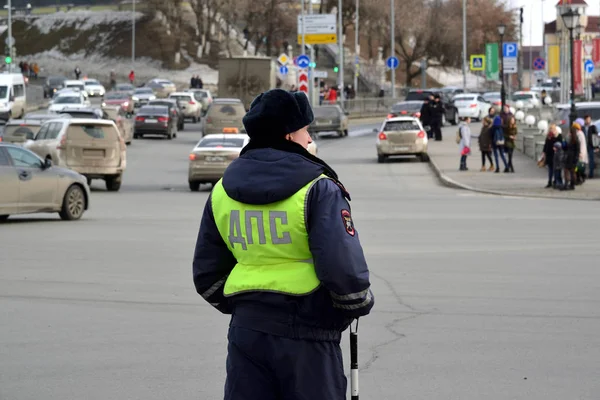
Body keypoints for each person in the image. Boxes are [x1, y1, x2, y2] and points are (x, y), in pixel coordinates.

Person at [192, 89, 374, 400]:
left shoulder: (223, 190)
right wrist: (357, 305)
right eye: (306, 130)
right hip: (309, 331)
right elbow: (342, 268)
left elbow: (207, 273)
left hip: (246, 332)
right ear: (290, 134)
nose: (308, 138)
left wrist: (246, 308)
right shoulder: (318, 187)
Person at [562, 125, 580, 191]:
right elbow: (566, 148)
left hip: (570, 157)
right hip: (571, 157)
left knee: (567, 171)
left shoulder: (574, 140)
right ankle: (571, 185)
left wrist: (576, 158)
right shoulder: (574, 140)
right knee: (572, 172)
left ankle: (567, 184)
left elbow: (576, 150)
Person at [542, 124, 559, 188]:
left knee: (555, 169)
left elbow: (560, 144)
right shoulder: (548, 136)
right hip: (549, 155)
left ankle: (555, 181)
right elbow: (546, 145)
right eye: (550, 129)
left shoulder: (558, 136)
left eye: (553, 128)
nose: (551, 130)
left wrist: (554, 136)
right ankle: (549, 182)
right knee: (550, 169)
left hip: (555, 155)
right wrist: (544, 152)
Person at [574, 118, 588, 185]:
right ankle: (579, 178)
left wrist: (581, 153)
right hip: (580, 153)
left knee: (578, 167)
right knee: (578, 167)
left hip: (580, 154)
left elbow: (581, 145)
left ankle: (581, 177)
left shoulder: (579, 134)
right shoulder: (579, 133)